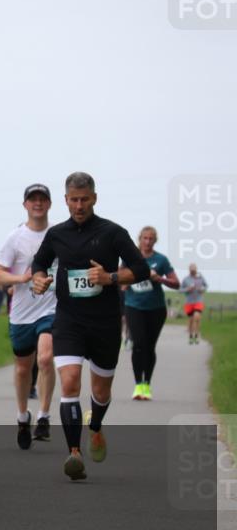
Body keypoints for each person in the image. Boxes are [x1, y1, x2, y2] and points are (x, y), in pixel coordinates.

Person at [31, 172, 149, 481]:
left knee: (100, 390)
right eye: (74, 200)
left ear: (94, 198)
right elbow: (39, 262)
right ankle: (74, 453)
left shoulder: (113, 232)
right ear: (66, 200)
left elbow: (141, 269)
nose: (79, 205)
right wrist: (38, 278)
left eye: (84, 199)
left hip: (106, 322)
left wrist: (110, 277)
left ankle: (94, 427)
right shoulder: (57, 234)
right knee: (70, 383)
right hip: (69, 321)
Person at [0, 183, 58, 449]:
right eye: (33, 199)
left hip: (50, 307)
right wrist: (21, 277)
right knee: (22, 368)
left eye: (43, 199)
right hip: (21, 312)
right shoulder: (15, 237)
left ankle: (43, 416)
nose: (38, 203)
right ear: (25, 205)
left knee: (45, 358)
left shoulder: (58, 235)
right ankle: (23, 416)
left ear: (49, 204)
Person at [123, 226, 179, 400]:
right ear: (139, 239)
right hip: (134, 307)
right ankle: (138, 385)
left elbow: (176, 283)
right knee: (138, 344)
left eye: (151, 239)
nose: (147, 242)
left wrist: (159, 278)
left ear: (155, 241)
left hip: (156, 309)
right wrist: (126, 280)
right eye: (145, 238)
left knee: (149, 347)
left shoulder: (161, 260)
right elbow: (120, 279)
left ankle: (147, 384)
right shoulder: (130, 258)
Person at [181, 264, 208, 344]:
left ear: (196, 270)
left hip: (198, 301)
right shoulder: (186, 279)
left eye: (194, 270)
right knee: (191, 320)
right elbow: (180, 289)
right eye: (191, 270)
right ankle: (191, 337)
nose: (193, 271)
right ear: (189, 270)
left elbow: (206, 286)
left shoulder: (201, 278)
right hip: (189, 302)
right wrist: (187, 289)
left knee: (197, 317)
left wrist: (202, 289)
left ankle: (196, 335)